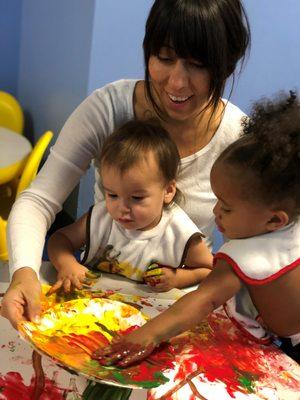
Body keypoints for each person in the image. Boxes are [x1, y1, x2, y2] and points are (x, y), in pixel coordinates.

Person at [1, 0, 250, 328]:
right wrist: (24, 272)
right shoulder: (108, 108)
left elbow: (244, 256)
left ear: (226, 65)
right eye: (164, 57)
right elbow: (38, 201)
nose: (176, 83)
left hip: (180, 311)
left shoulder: (238, 136)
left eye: (198, 64)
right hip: (91, 306)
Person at [93, 93, 300, 365]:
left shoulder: (243, 257)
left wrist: (144, 336)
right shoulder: (292, 222)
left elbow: (200, 301)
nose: (215, 213)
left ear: (275, 221)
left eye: (226, 208)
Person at [47, 119, 213, 294]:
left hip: (151, 314)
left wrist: (178, 278)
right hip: (92, 305)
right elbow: (59, 240)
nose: (122, 208)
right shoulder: (102, 217)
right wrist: (68, 264)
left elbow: (210, 269)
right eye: (112, 195)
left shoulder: (178, 231)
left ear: (168, 191)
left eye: (136, 197)